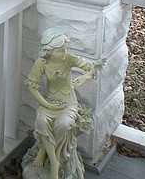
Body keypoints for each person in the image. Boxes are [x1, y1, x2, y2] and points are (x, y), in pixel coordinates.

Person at [23, 28, 103, 179]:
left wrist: (84, 77)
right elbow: (31, 86)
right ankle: (54, 161)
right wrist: (47, 105)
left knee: (63, 124)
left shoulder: (69, 59)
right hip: (49, 101)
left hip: (68, 103)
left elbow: (92, 69)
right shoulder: (41, 63)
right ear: (49, 51)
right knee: (42, 121)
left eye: (65, 49)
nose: (64, 53)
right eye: (60, 50)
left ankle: (44, 152)